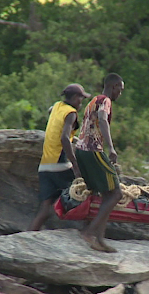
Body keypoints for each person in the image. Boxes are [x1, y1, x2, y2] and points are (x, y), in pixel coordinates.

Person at [28, 83, 91, 231]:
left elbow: (51, 112)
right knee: (86, 192)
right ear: (75, 98)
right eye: (81, 99)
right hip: (60, 164)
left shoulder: (57, 106)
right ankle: (90, 233)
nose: (81, 103)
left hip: (44, 166)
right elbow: (64, 138)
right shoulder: (71, 113)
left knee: (45, 209)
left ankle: (27, 235)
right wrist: (75, 164)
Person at [75, 73, 125, 252]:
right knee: (117, 193)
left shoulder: (93, 100)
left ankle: (100, 240)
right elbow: (103, 119)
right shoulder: (105, 101)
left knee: (107, 194)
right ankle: (89, 232)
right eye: (120, 89)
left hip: (81, 151)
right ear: (114, 87)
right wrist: (111, 148)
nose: (120, 93)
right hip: (92, 150)